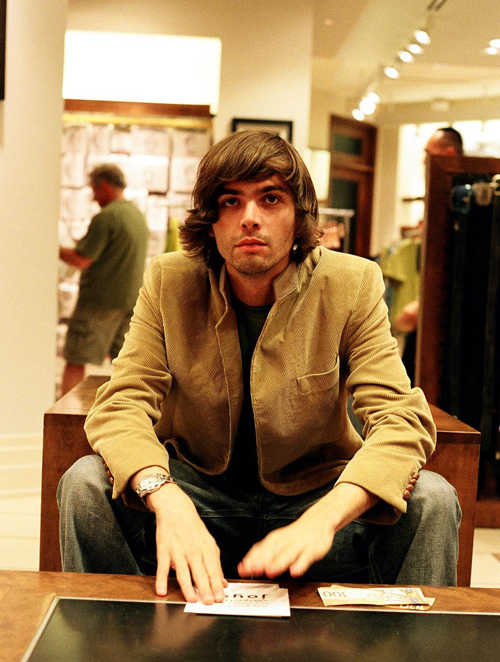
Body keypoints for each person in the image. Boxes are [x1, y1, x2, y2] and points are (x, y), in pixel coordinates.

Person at [57, 131, 461, 605]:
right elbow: (122, 403)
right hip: (198, 492)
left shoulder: (351, 282)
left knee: (433, 498)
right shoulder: (170, 279)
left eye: (270, 199)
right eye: (231, 201)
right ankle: (113, 658)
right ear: (211, 221)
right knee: (83, 484)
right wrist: (166, 498)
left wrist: (324, 517)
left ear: (299, 218)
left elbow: (401, 419)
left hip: (316, 497)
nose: (250, 218)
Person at [59, 163, 149, 395]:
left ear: (105, 186)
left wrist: (51, 247)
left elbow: (82, 259)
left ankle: (66, 418)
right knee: (125, 363)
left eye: (94, 190)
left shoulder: (107, 217)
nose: (93, 197)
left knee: (76, 358)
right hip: (129, 300)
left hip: (98, 301)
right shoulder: (136, 215)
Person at [394, 127, 464, 381]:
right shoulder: (437, 195)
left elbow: (460, 265)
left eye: (428, 153)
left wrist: (425, 304)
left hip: (448, 321)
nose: (424, 160)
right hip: (431, 316)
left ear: (447, 153)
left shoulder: (456, 200)